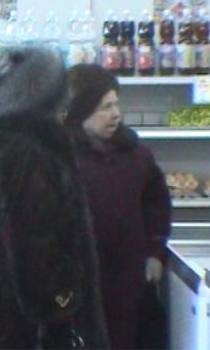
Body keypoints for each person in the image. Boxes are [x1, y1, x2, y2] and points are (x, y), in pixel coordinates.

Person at [0, 46, 109, 350]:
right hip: (32, 331)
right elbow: (35, 245)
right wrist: (62, 309)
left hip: (5, 322)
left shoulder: (5, 145)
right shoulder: (29, 153)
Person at [65, 64, 172, 349]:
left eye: (116, 104)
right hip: (78, 286)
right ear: (80, 110)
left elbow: (157, 205)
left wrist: (156, 253)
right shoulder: (58, 159)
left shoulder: (136, 155)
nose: (115, 114)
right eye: (104, 107)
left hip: (129, 284)